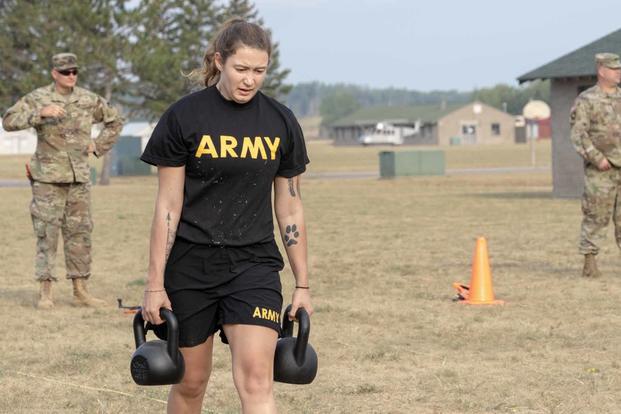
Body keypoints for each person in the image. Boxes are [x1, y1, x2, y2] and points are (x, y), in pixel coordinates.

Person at [140, 18, 313, 413]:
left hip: (252, 265)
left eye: (259, 71)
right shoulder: (184, 117)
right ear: (219, 61)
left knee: (257, 378)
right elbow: (168, 206)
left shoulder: (280, 121)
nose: (250, 80)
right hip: (190, 265)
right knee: (190, 382)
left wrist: (302, 284)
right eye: (241, 69)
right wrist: (154, 283)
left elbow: (289, 205)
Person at [2, 53, 123, 307]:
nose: (71, 76)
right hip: (47, 180)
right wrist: (39, 113)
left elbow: (115, 121)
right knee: (47, 233)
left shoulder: (88, 100)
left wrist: (98, 145)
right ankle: (46, 292)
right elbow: (8, 121)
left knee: (80, 234)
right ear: (54, 73)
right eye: (66, 72)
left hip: (78, 179)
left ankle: (80, 290)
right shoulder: (38, 98)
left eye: (74, 71)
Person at [570, 52, 621, 278]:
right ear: (601, 71)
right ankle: (590, 262)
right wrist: (596, 157)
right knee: (596, 215)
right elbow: (579, 134)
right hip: (601, 169)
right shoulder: (586, 100)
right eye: (614, 68)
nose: (618, 72)